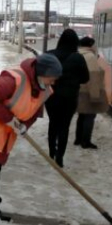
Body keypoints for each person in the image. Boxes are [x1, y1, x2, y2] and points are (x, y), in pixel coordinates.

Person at [0, 53, 63, 220]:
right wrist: (10, 120)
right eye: (51, 78)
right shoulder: (13, 79)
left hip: (3, 133)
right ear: (41, 73)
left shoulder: (44, 90)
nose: (53, 82)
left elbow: (35, 112)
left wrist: (24, 126)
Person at [45, 28, 90, 168]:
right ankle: (60, 157)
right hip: (69, 98)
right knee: (64, 126)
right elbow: (85, 78)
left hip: (51, 96)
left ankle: (51, 152)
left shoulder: (50, 55)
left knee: (53, 123)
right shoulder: (78, 57)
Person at [75, 37, 109, 149]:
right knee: (89, 115)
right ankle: (86, 141)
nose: (95, 47)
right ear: (90, 45)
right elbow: (93, 77)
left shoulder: (77, 54)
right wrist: (95, 96)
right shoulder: (90, 57)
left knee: (81, 115)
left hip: (78, 89)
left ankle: (78, 139)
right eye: (94, 45)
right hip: (87, 91)